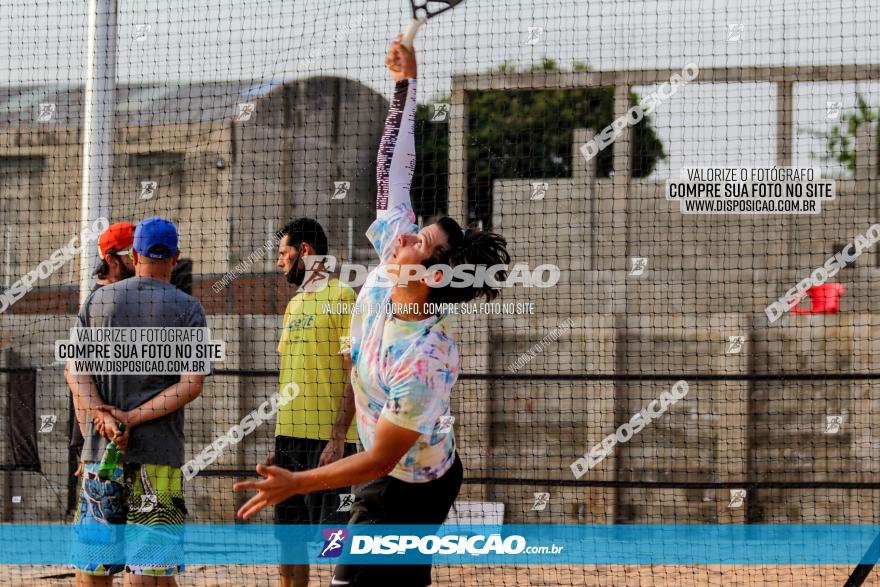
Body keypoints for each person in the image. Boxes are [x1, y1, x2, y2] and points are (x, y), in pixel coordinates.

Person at [234, 35, 511, 586]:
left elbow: (380, 461)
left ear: (432, 274)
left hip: (413, 485)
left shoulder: (426, 358)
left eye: (418, 238)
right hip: (386, 471)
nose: (403, 233)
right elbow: (393, 167)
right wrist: (405, 86)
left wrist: (295, 483)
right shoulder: (392, 268)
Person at [66, 216, 208, 586]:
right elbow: (191, 385)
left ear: (134, 253)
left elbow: (74, 371)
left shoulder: (98, 299)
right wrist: (132, 417)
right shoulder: (188, 309)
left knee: (94, 567)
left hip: (101, 454)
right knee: (147, 571)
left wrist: (104, 417)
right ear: (175, 257)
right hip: (157, 459)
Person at [271, 218, 359, 587]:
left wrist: (338, 437)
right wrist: (278, 444)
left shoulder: (343, 297)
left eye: (283, 253)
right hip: (289, 439)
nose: (278, 262)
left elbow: (355, 373)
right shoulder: (293, 305)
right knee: (289, 546)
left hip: (329, 444)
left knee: (336, 547)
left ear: (304, 251)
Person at [68, 222, 136, 471]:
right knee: (102, 508)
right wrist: (88, 442)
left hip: (125, 436)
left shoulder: (130, 298)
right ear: (112, 260)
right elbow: (74, 370)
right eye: (131, 254)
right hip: (104, 440)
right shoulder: (100, 304)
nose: (138, 258)